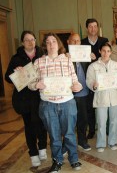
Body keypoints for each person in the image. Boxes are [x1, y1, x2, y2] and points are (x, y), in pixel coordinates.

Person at [28, 33, 83, 172]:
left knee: (70, 133)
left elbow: (75, 80)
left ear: (59, 44)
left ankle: (74, 159)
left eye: (54, 41)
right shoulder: (39, 62)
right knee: (54, 135)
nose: (51, 44)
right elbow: (30, 83)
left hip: (67, 102)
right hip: (48, 105)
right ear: (45, 46)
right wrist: (36, 85)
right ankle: (57, 160)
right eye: (48, 42)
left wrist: (78, 86)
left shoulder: (67, 60)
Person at [5, 30, 47, 167]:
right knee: (29, 126)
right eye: (27, 40)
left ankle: (42, 148)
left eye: (33, 39)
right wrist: (15, 72)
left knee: (41, 124)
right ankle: (33, 152)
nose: (31, 42)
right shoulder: (16, 58)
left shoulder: (42, 55)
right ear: (23, 42)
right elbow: (8, 77)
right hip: (24, 99)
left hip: (40, 97)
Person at [86, 43, 117, 153]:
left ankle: (112, 142)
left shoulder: (116, 65)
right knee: (101, 122)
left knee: (113, 121)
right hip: (101, 97)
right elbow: (89, 81)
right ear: (100, 51)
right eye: (103, 51)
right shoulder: (93, 66)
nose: (106, 53)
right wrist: (93, 85)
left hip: (114, 97)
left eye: (108, 51)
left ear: (111, 52)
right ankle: (101, 144)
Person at [81, 18, 108, 139]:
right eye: (90, 26)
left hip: (103, 78)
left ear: (98, 28)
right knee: (90, 106)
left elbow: (107, 56)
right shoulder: (82, 43)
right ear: (87, 28)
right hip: (89, 78)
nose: (93, 29)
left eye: (95, 26)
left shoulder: (104, 40)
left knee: (104, 104)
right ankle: (91, 129)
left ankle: (105, 128)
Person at [67, 33, 91, 151]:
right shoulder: (63, 57)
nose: (76, 43)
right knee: (69, 121)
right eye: (73, 41)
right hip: (69, 95)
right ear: (68, 42)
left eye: (78, 41)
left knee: (83, 119)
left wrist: (92, 57)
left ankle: (82, 141)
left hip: (84, 93)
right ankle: (66, 145)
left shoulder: (84, 56)